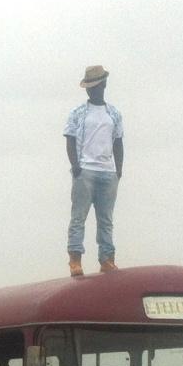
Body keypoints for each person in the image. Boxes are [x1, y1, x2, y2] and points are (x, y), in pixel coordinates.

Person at [63, 65, 124, 277]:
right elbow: (70, 139)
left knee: (105, 219)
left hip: (108, 172)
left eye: (95, 86)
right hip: (85, 170)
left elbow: (118, 142)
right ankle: (75, 260)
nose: (91, 90)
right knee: (78, 217)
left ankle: (107, 259)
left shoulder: (113, 114)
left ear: (103, 85)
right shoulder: (78, 113)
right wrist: (76, 166)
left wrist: (119, 170)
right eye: (89, 87)